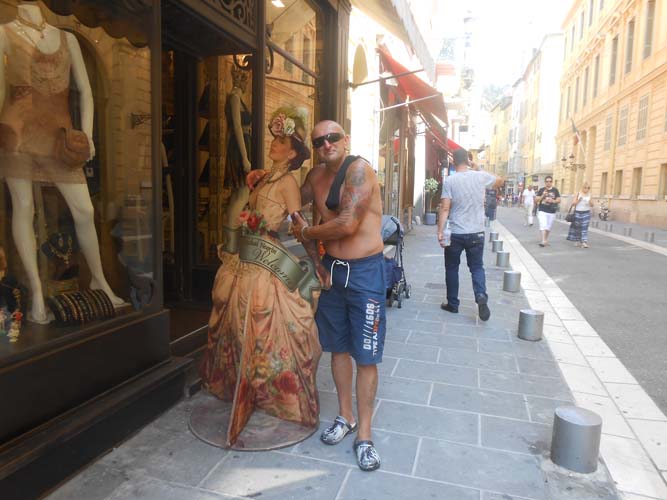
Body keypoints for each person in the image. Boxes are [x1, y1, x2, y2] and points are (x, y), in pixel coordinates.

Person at [199, 106, 328, 450]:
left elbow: (299, 225)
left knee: (267, 323)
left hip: (266, 263)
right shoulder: (264, 177)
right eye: (275, 139)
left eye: (282, 142)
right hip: (246, 259)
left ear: (293, 152)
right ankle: (244, 389)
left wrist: (316, 260)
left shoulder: (287, 183)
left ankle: (274, 394)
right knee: (239, 322)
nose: (274, 144)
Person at [0, 3, 123, 323]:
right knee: (24, 208)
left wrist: (88, 135)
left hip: (60, 136)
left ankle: (99, 280)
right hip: (16, 133)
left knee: (85, 210)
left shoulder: (67, 39)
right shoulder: (4, 33)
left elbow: (86, 91)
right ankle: (37, 295)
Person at [292, 120, 385, 472]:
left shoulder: (359, 171)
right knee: (338, 349)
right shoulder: (315, 176)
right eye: (318, 141)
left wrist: (306, 232)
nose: (326, 144)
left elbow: (347, 223)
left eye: (332, 137)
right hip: (332, 271)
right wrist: (271, 170)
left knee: (366, 355)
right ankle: (345, 417)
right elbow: (291, 200)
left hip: (365, 273)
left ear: (345, 139)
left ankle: (365, 436)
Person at [438, 148, 503, 321]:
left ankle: (453, 304)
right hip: (476, 232)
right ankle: (480, 295)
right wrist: (477, 167)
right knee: (476, 267)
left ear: (453, 162)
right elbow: (499, 180)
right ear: (468, 161)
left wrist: (440, 231)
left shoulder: (450, 180)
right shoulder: (480, 176)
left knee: (452, 267)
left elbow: (445, 208)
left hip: (456, 233)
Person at [566, 182, 594, 248]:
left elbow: (592, 205)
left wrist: (590, 202)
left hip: (586, 213)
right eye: (585, 188)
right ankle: (577, 240)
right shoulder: (578, 194)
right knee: (577, 227)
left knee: (584, 227)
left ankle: (584, 242)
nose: (586, 189)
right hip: (578, 212)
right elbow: (573, 204)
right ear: (582, 188)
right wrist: (579, 200)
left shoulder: (590, 195)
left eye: (588, 188)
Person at [535, 176, 561, 247]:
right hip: (542, 210)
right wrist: (543, 195)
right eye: (547, 181)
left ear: (552, 182)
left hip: (551, 211)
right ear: (545, 182)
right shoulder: (541, 190)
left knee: (548, 227)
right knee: (543, 225)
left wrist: (552, 201)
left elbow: (559, 200)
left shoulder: (555, 190)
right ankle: (543, 240)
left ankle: (545, 240)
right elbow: (536, 200)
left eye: (550, 181)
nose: (548, 183)